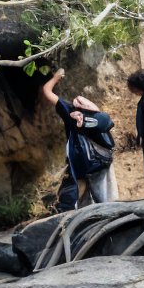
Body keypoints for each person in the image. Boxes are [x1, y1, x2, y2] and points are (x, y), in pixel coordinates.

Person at [43, 69, 119, 210]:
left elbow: (47, 92)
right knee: (105, 201)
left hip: (81, 166)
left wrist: (55, 78)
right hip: (101, 163)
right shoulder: (101, 118)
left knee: (75, 198)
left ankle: (70, 218)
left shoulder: (71, 111)